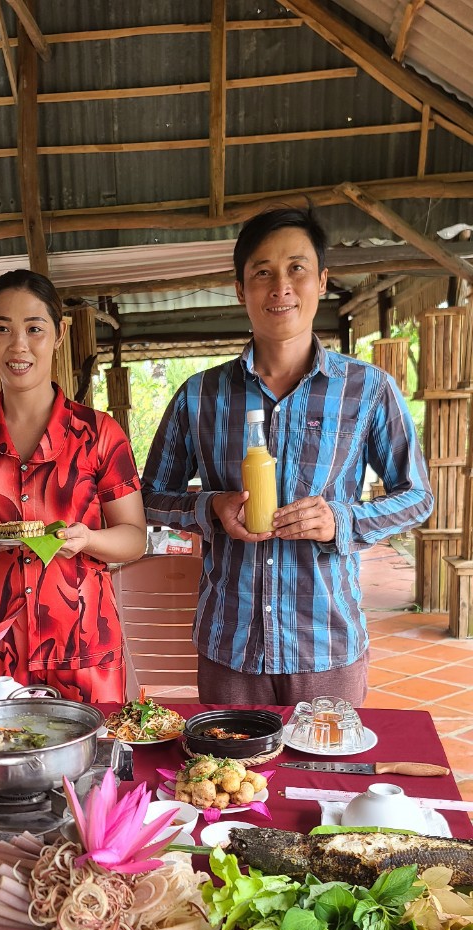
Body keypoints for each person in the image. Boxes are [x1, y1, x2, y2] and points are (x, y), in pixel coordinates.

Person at [141, 206, 434, 706]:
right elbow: (147, 498)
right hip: (230, 645)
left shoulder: (367, 390)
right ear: (240, 288)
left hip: (326, 644)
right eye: (263, 272)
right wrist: (209, 507)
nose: (281, 286)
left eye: (296, 268)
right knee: (226, 778)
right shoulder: (200, 396)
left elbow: (417, 498)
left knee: (325, 783)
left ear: (321, 281)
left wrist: (340, 520)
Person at [0, 269, 147, 701]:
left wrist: (86, 538)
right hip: (1, 646)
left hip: (84, 641)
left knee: (94, 766)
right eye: (2, 329)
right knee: (4, 761)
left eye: (35, 328)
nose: (19, 345)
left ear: (58, 334)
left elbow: (134, 539)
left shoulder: (100, 433)